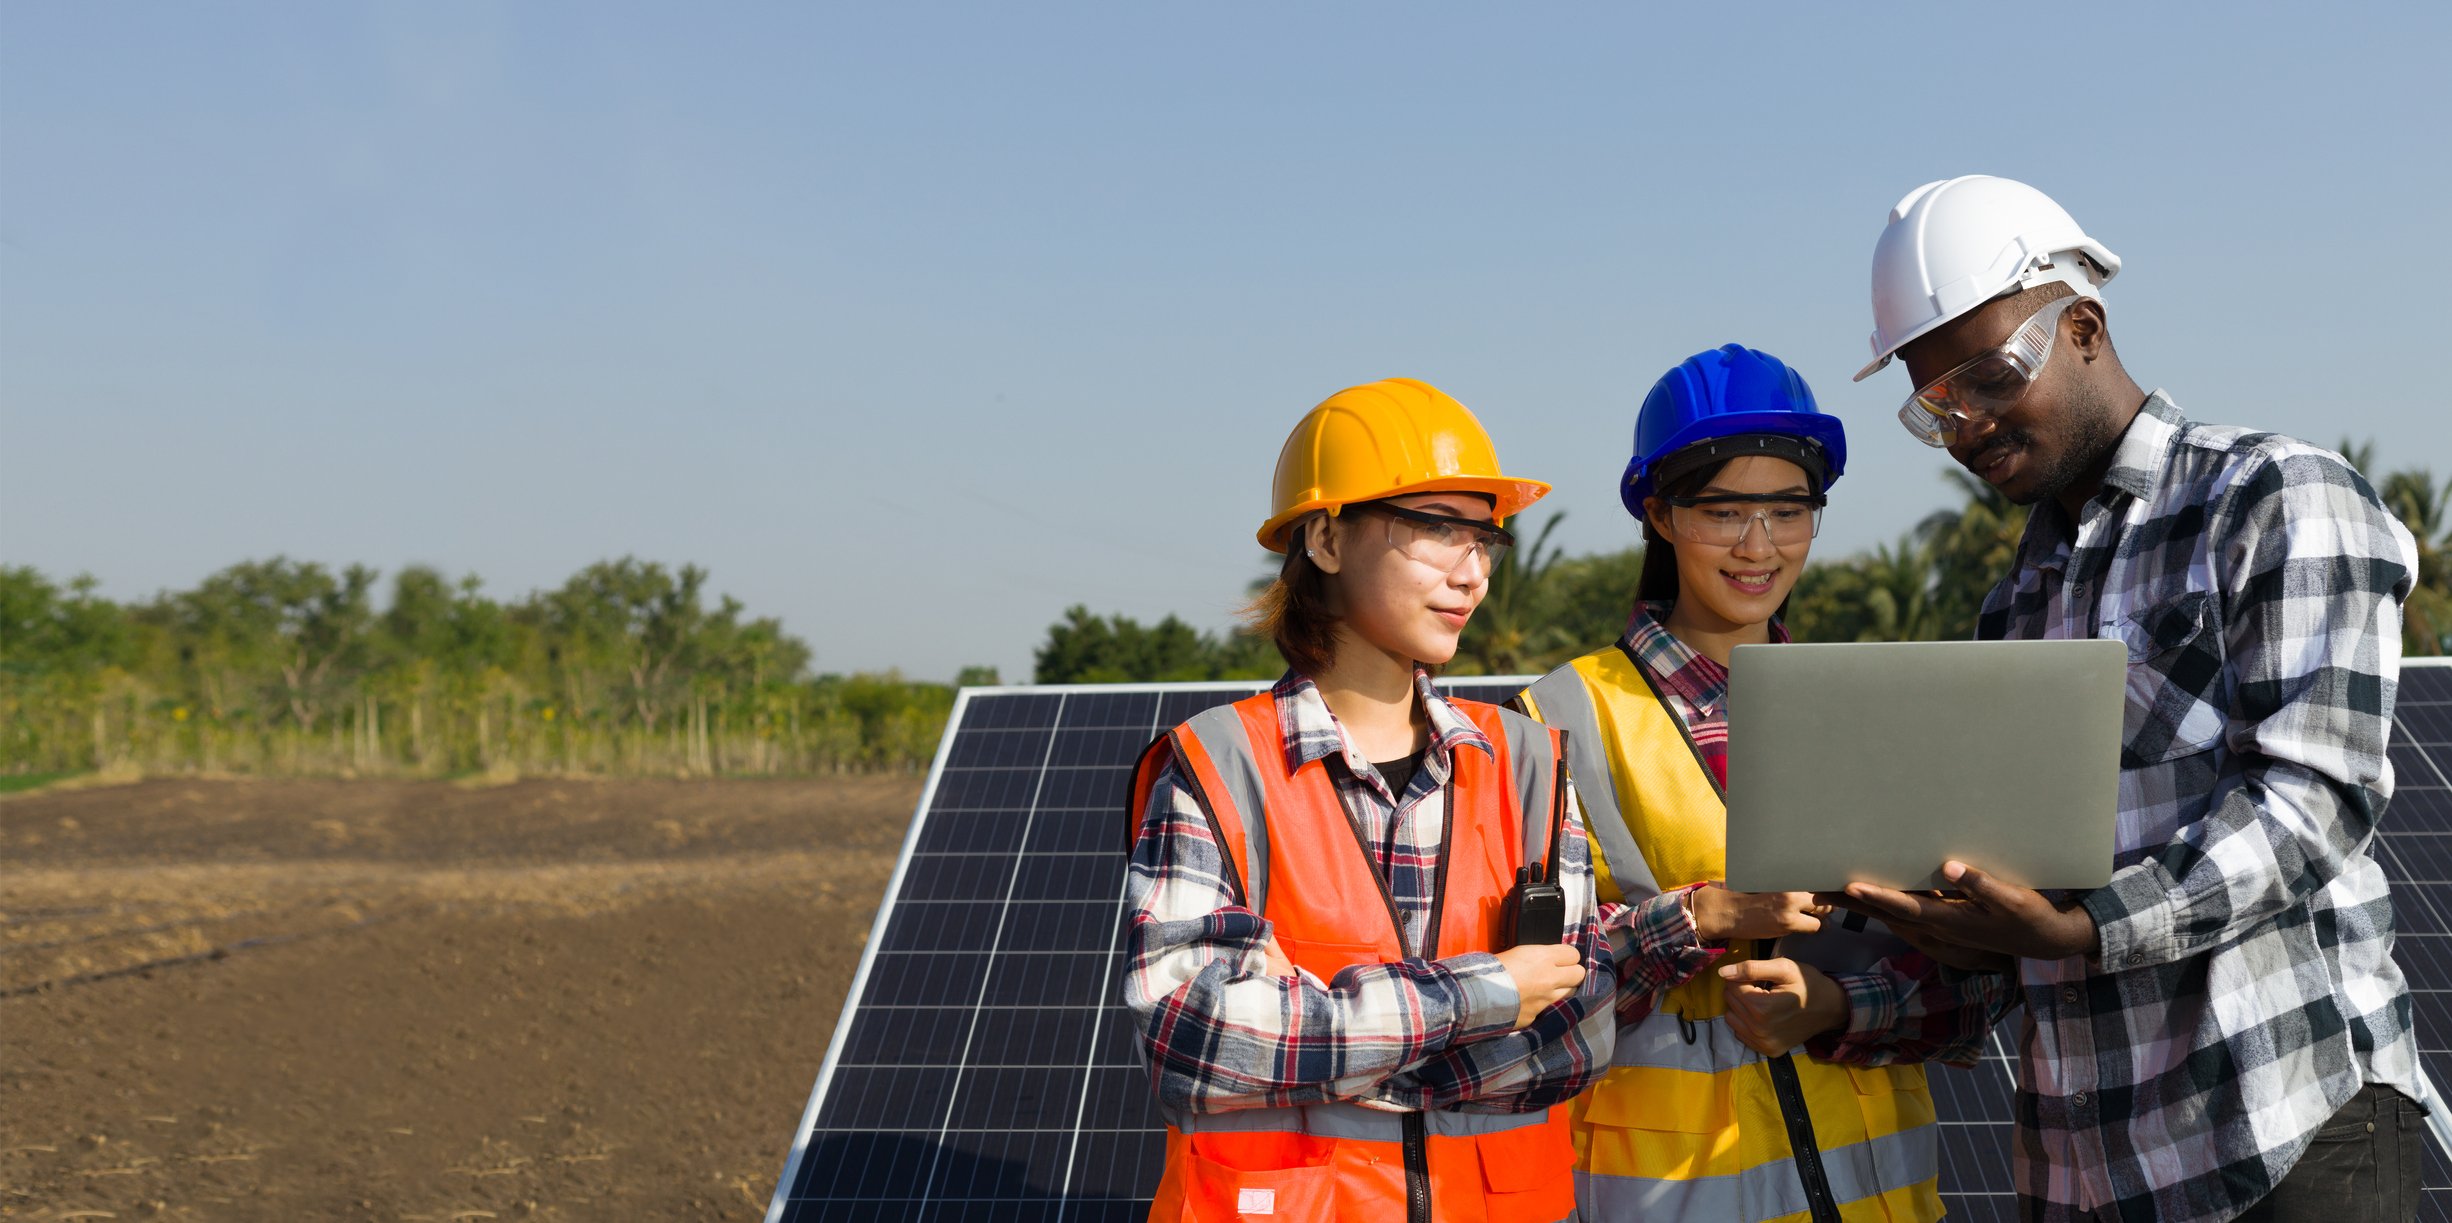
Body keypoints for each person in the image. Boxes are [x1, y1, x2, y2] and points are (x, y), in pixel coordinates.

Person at [1838, 175, 2426, 1223]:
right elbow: (2018, 894)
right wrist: (1943, 935)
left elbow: (2313, 801)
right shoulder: (2010, 604)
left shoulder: (2272, 496)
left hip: (2279, 1129)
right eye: (1936, 406)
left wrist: (2084, 925)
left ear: (2083, 325)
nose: (1967, 422)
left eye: (1987, 375)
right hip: (2086, 1166)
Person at [1123, 377, 1657, 1223]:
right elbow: (1195, 1040)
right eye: (1438, 529)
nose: (1472, 572)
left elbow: (1573, 1040)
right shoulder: (1218, 763)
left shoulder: (1527, 762)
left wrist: (1316, 1031)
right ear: (1327, 538)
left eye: (1484, 539)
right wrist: (1481, 998)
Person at [1517, 345, 2017, 1223]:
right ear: (1659, 514)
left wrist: (1835, 1005)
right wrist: (1705, 919)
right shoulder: (1556, 719)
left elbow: (1975, 990)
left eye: (1789, 510)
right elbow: (1527, 1007)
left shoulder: (1875, 713)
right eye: (1724, 510)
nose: (1760, 545)